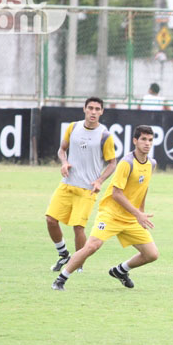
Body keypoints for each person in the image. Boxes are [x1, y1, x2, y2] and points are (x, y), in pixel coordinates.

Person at [52, 125, 159, 291]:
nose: (147, 143)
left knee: (152, 254)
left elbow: (143, 187)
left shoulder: (151, 164)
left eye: (150, 140)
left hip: (131, 218)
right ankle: (60, 279)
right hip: (110, 214)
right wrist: (137, 213)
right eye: (143, 139)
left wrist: (141, 213)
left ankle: (120, 271)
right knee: (92, 246)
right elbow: (116, 194)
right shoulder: (127, 163)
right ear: (135, 141)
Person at [45, 97, 117, 273]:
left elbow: (112, 163)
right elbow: (62, 149)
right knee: (50, 220)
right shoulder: (73, 127)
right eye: (90, 108)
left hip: (87, 189)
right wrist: (64, 163)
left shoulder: (104, 135)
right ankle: (63, 255)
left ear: (102, 112)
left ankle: (78, 265)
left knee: (78, 228)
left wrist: (99, 180)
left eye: (97, 109)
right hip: (67, 184)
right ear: (84, 109)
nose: (93, 112)